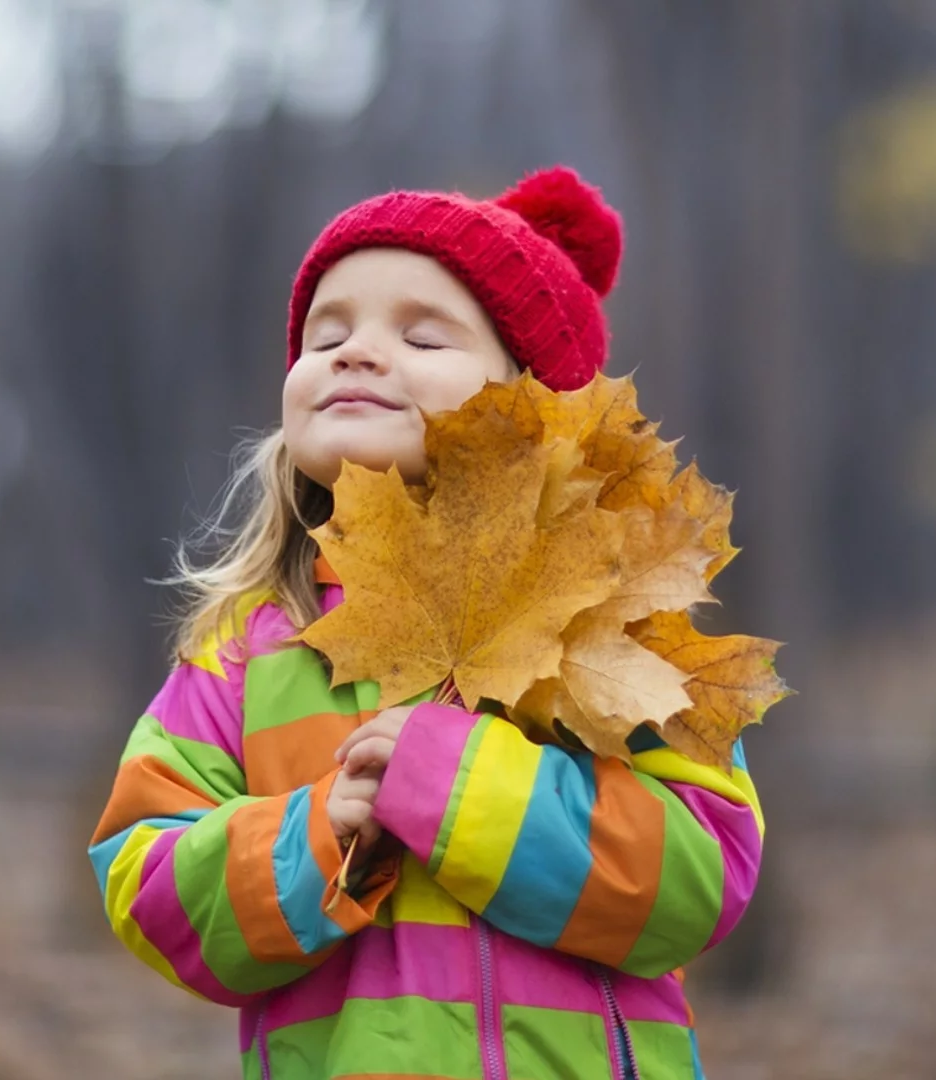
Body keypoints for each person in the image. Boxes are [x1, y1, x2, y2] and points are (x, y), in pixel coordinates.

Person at [87, 167, 763, 1080]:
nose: (355, 353)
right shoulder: (252, 647)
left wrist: (461, 788)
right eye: (327, 334)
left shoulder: (612, 620)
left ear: (534, 407)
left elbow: (701, 877)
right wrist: (315, 840)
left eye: (421, 334)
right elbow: (142, 874)